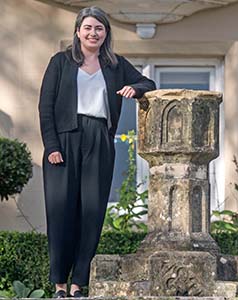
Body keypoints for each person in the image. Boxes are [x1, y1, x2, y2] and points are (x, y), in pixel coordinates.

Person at [38, 6, 156, 298]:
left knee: (91, 212)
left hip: (100, 140)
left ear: (106, 34)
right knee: (61, 212)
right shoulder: (60, 62)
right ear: (78, 31)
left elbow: (148, 83)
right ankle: (59, 285)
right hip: (64, 141)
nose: (93, 33)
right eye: (88, 27)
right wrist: (52, 145)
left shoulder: (115, 65)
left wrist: (135, 90)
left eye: (99, 29)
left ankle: (79, 283)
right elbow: (46, 107)